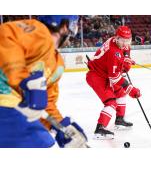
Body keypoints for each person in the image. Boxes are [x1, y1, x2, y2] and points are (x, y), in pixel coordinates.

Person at [0, 15, 88, 148]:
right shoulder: (39, 31)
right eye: (73, 24)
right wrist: (23, 80)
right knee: (40, 142)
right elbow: (5, 35)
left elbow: (45, 104)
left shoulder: (57, 63)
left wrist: (60, 127)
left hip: (13, 109)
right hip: (5, 100)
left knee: (44, 141)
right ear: (64, 26)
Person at [86, 25, 141, 139]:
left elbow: (125, 49)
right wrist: (130, 88)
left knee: (120, 93)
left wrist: (125, 58)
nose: (126, 43)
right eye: (123, 40)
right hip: (97, 76)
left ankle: (119, 120)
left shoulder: (115, 40)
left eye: (128, 40)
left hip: (104, 74)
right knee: (111, 102)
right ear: (117, 38)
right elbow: (114, 78)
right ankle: (100, 129)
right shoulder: (114, 52)